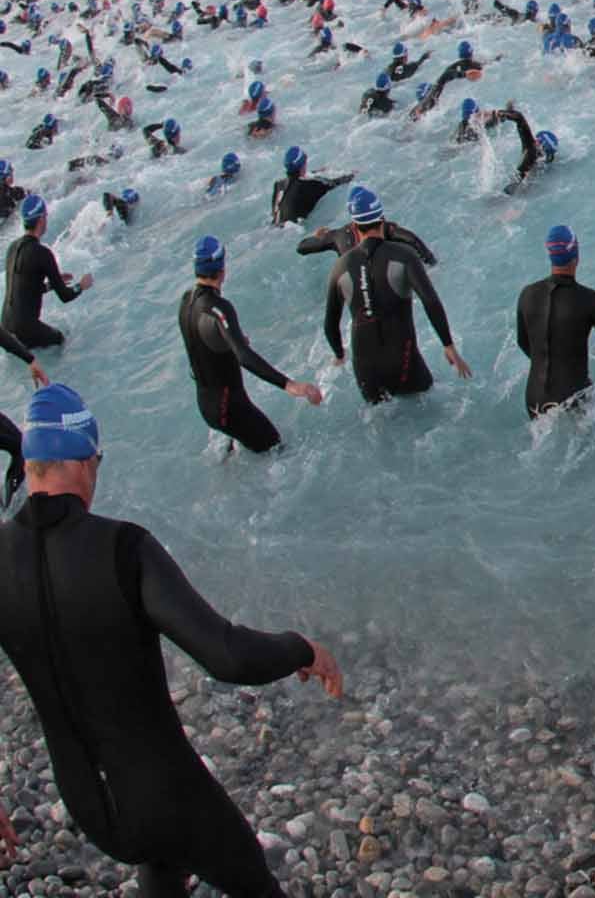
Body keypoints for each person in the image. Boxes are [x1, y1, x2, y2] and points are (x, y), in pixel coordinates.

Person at [0, 384, 342, 896]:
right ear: (83, 460)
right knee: (250, 881)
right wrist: (302, 649)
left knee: (159, 860)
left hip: (91, 809)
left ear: (29, 465)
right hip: (168, 795)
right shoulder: (123, 549)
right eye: (97, 461)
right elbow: (226, 655)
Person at [322, 186, 468, 403]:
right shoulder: (404, 256)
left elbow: (330, 324)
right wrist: (448, 345)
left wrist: (339, 355)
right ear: (382, 219)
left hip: (365, 367)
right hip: (403, 360)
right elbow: (430, 301)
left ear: (354, 226)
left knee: (379, 419)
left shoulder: (340, 266)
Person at [181, 235, 324, 452]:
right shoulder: (219, 308)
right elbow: (244, 356)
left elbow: (201, 344)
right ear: (222, 270)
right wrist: (289, 385)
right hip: (229, 407)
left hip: (206, 404)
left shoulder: (186, 301)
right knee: (277, 450)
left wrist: (229, 341)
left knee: (239, 440)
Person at [514, 224, 595, 416]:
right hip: (572, 397)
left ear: (550, 255)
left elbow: (522, 342)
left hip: (534, 398)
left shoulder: (527, 294)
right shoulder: (590, 300)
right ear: (576, 256)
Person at [5, 194, 89, 352]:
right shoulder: (42, 253)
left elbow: (23, 289)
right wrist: (81, 285)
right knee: (61, 340)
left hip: (5, 327)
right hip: (25, 330)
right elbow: (65, 296)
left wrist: (51, 285)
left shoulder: (12, 248)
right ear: (42, 219)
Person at [266, 145, 352, 227]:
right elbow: (333, 184)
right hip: (294, 229)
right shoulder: (308, 187)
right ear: (303, 165)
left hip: (276, 226)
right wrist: (351, 175)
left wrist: (315, 172)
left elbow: (298, 179)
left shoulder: (278, 185)